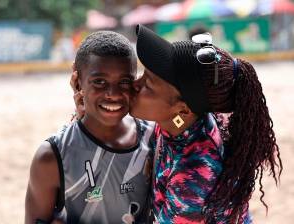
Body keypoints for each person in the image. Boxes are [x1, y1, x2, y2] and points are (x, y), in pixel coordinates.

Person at [129, 24, 283, 223]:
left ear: (182, 109)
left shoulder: (194, 176)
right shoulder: (182, 121)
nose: (135, 84)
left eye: (147, 85)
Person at [25, 31, 154, 224]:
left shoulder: (154, 140)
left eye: (124, 82)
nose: (113, 94)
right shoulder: (52, 156)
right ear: (78, 83)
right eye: (99, 82)